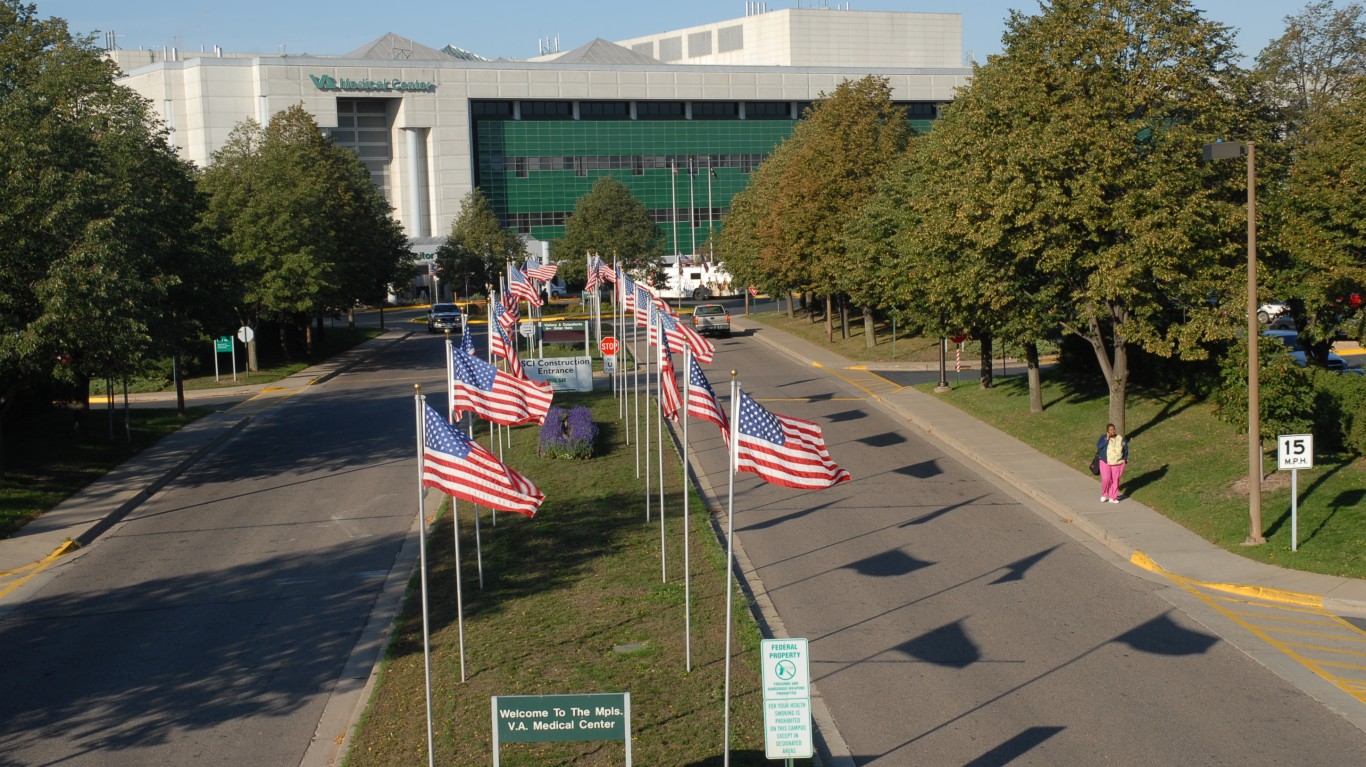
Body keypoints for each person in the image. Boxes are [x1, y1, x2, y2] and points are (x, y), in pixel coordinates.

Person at [1096, 423, 1129, 503]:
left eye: (1113, 429)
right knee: (1106, 479)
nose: (1112, 431)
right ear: (1107, 431)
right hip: (1105, 461)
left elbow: (1125, 449)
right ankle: (1104, 494)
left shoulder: (1120, 438)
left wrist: (1124, 459)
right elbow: (1099, 446)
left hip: (1117, 462)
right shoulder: (1103, 437)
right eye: (1110, 430)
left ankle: (1113, 497)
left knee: (1115, 479)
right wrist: (1106, 440)